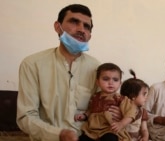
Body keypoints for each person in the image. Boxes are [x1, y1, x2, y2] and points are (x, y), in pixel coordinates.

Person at [16, 4, 121, 141]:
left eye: (86, 26)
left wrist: (117, 113)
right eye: (74, 22)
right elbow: (26, 117)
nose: (81, 29)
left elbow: (102, 106)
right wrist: (59, 134)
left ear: (90, 35)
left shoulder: (96, 68)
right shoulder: (32, 64)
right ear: (57, 27)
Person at [76, 63, 137, 141]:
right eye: (106, 79)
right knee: (82, 138)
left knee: (110, 138)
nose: (111, 82)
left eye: (115, 80)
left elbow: (130, 114)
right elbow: (91, 110)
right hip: (92, 130)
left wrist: (121, 124)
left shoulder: (120, 99)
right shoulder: (95, 96)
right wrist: (85, 116)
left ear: (120, 83)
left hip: (110, 130)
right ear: (97, 82)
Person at [120, 69, 149, 141]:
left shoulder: (142, 111)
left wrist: (145, 137)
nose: (146, 97)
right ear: (133, 96)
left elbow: (144, 129)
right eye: (144, 94)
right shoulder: (121, 107)